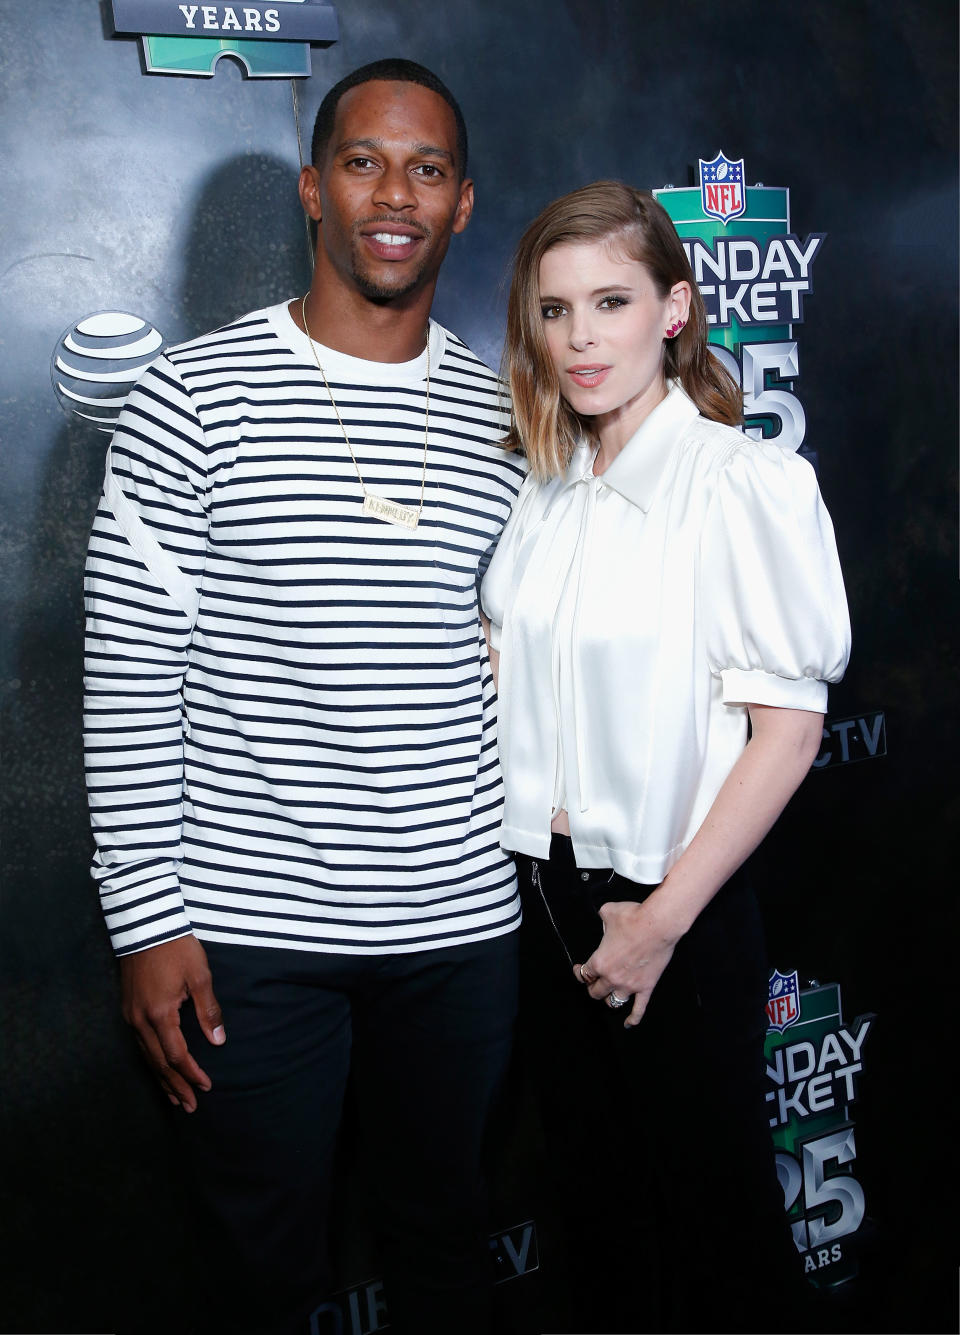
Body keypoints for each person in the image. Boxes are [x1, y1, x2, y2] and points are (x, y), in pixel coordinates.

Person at [83, 58, 524, 1335]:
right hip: (247, 946)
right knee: (259, 1276)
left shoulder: (504, 416)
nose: (396, 194)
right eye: (366, 162)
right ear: (313, 188)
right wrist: (146, 922)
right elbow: (126, 666)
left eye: (427, 169)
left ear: (463, 203)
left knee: (449, 1251)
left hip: (456, 929)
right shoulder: (193, 394)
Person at [481, 181, 851, 1333]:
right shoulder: (545, 486)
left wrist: (658, 922)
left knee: (721, 1232)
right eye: (554, 311)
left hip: (669, 910)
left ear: (675, 309)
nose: (581, 338)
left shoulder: (740, 484)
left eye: (611, 302)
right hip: (537, 906)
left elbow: (788, 735)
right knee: (598, 1230)